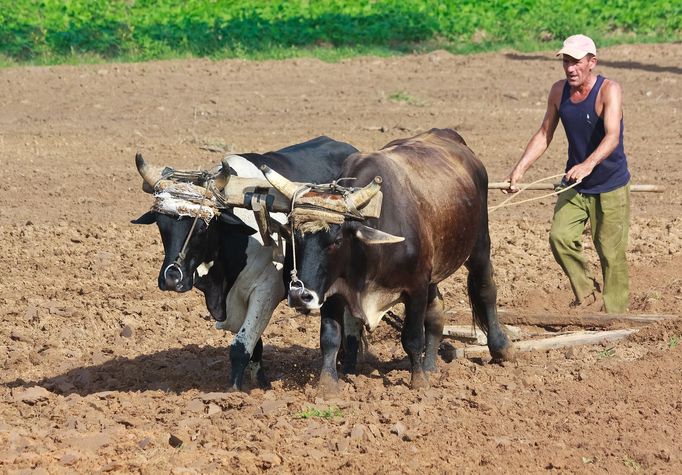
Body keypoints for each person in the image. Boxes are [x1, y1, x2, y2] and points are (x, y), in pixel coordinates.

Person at [504, 34, 630, 314]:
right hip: (575, 184)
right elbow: (544, 133)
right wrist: (520, 169)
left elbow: (612, 137)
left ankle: (617, 315)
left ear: (591, 62)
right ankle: (587, 297)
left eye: (576, 62)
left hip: (610, 184)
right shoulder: (558, 91)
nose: (570, 68)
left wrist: (589, 164)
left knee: (610, 252)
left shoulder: (609, 90)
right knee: (559, 237)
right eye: (566, 61)